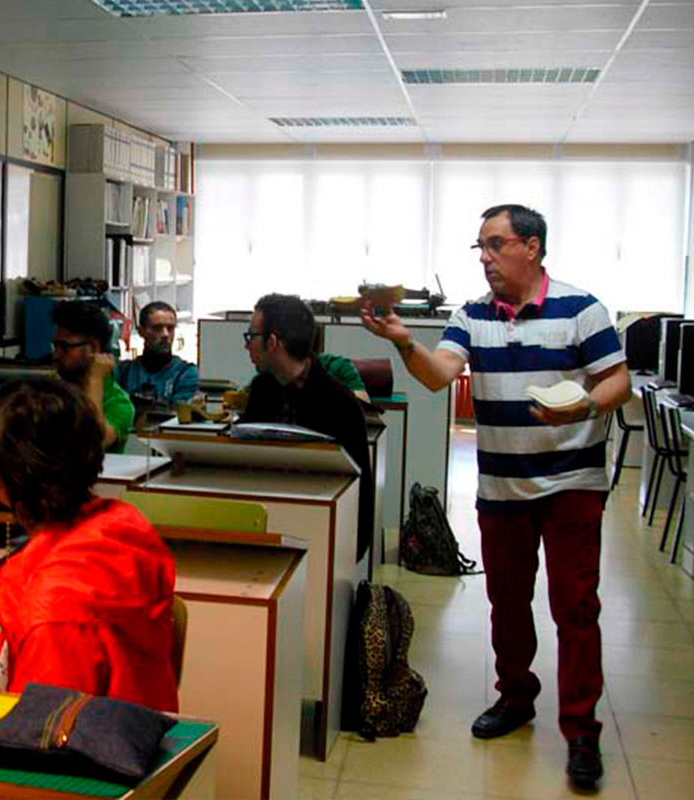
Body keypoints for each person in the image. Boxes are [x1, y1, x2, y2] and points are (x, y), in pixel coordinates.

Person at [359, 204, 630, 792]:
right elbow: (438, 376)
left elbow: (618, 381)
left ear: (531, 247)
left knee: (575, 607)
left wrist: (583, 405)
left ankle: (581, 729)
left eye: (494, 244)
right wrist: (405, 344)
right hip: (501, 486)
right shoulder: (471, 315)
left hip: (571, 485)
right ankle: (515, 697)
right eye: (479, 247)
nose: (484, 257)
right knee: (508, 601)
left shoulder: (582, 309)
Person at [0, 378, 178, 711]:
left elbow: (40, 737)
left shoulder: (54, 606)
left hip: (78, 755)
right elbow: (1, 660)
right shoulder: (119, 532)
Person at [241, 293, 375, 560]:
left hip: (320, 536)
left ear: (273, 342)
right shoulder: (261, 390)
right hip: (264, 525)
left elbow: (361, 492)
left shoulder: (340, 404)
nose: (246, 346)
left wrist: (349, 554)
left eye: (251, 337)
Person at [51, 301, 134, 453]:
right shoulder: (50, 392)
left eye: (65, 347)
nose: (56, 355)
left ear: (94, 348)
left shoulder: (118, 404)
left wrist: (95, 379)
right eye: (55, 346)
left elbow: (90, 445)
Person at [115, 301, 199, 410]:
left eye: (170, 328)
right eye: (157, 328)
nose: (165, 334)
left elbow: (179, 415)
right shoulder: (124, 372)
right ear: (141, 332)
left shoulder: (186, 374)